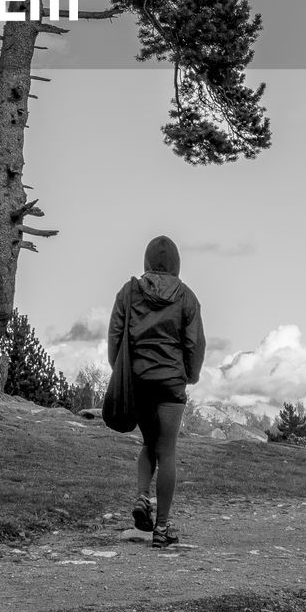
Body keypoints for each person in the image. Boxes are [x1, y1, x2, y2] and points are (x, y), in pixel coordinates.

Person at [107, 235, 205, 548]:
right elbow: (194, 344)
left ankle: (141, 497)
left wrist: (120, 371)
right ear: (176, 264)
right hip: (171, 382)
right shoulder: (187, 297)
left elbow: (115, 335)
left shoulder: (129, 291)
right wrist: (190, 375)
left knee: (148, 442)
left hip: (138, 380)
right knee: (167, 451)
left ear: (147, 261)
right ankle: (161, 530)